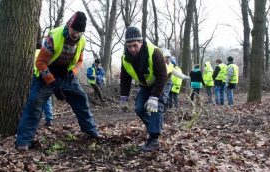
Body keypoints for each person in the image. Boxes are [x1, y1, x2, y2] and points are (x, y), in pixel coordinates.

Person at [15, 11, 104, 151]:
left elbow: (79, 61)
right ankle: (23, 141)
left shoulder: (82, 40)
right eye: (75, 30)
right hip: (45, 74)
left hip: (66, 75)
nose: (76, 34)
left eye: (80, 32)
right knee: (34, 103)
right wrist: (52, 83)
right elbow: (40, 62)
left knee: (81, 99)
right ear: (69, 26)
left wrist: (73, 71)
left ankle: (91, 131)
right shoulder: (53, 37)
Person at [119, 26, 172, 152]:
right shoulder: (125, 59)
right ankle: (155, 129)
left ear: (141, 42)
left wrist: (154, 97)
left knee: (156, 106)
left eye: (135, 45)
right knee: (139, 108)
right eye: (129, 46)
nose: (132, 49)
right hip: (146, 84)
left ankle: (154, 139)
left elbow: (162, 75)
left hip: (163, 81)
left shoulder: (154, 52)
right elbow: (125, 79)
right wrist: (124, 98)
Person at [35, 42, 54, 126]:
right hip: (47, 77)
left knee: (36, 100)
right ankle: (49, 119)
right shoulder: (46, 53)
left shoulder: (32, 54)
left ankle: (37, 119)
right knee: (47, 100)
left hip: (37, 78)